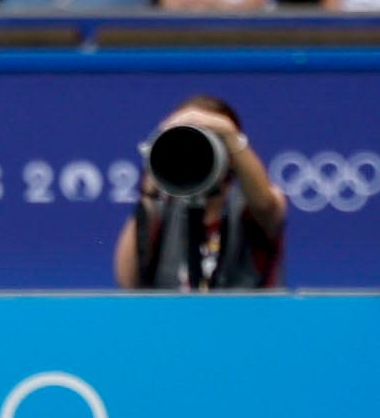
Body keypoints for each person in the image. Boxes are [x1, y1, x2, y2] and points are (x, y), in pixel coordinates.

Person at [115, 95, 285, 290]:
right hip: (173, 318)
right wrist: (150, 187)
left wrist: (228, 133)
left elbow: (266, 204)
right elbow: (127, 281)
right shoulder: (160, 209)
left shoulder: (248, 207)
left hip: (245, 318)